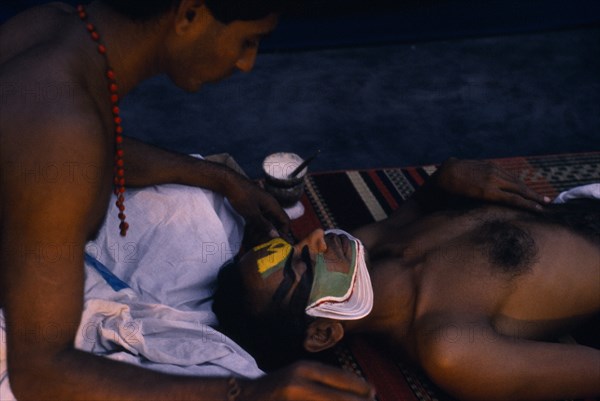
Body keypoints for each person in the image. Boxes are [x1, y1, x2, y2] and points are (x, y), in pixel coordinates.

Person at [0, 1, 382, 400]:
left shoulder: (49, 26)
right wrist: (244, 393)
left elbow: (77, 151)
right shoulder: (62, 128)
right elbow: (40, 371)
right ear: (189, 16)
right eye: (247, 41)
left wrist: (223, 179)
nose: (247, 62)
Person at [213, 159, 600, 401]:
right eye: (303, 267)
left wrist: (444, 180)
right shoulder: (453, 349)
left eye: (293, 245)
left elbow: (413, 210)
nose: (313, 239)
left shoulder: (367, 246)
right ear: (322, 333)